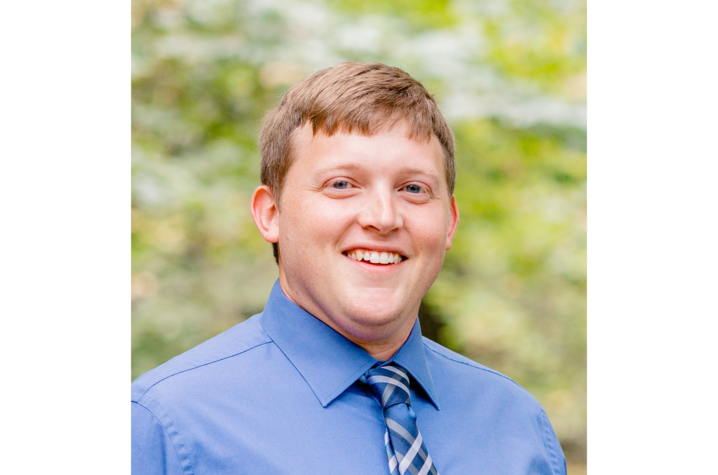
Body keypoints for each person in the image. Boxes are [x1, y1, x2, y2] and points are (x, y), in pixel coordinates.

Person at [131, 62, 567, 475]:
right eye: (342, 184)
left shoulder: (518, 425)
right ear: (271, 214)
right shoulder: (164, 426)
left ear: (449, 221)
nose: (383, 216)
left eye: (413, 188)